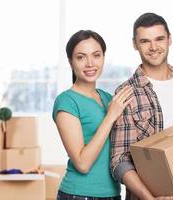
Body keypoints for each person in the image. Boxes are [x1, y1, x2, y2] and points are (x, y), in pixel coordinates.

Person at [110, 13, 173, 200]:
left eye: (159, 39)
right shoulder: (126, 94)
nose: (153, 47)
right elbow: (119, 161)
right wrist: (149, 198)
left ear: (169, 39)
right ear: (134, 44)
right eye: (145, 41)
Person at [52, 30, 133, 199]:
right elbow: (82, 163)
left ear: (103, 57)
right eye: (81, 57)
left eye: (96, 55)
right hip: (79, 194)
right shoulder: (67, 101)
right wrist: (110, 117)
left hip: (113, 194)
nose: (90, 63)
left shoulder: (107, 98)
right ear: (70, 61)